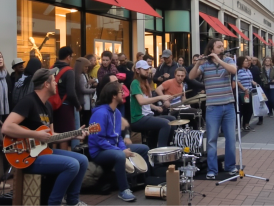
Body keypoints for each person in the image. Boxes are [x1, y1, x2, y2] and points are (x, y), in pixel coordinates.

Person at [2, 68, 88, 206]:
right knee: (72, 165)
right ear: (46, 84)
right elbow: (7, 127)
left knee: (83, 160)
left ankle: (73, 201)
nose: (56, 84)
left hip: (43, 151)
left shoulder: (47, 106)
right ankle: (54, 203)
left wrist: (74, 135)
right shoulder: (28, 101)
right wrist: (35, 134)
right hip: (28, 157)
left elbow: (51, 136)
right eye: (53, 81)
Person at [88, 81, 149, 202]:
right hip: (99, 152)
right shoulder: (100, 113)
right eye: (121, 92)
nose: (124, 94)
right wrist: (120, 150)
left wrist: (123, 148)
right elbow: (98, 139)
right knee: (120, 155)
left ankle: (143, 182)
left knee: (144, 148)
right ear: (114, 96)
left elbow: (118, 137)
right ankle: (123, 189)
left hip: (113, 148)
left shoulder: (117, 112)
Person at [189, 38, 237, 179]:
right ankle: (212, 170)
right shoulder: (205, 65)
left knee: (230, 138)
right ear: (211, 49)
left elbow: (233, 70)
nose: (222, 49)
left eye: (222, 47)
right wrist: (198, 63)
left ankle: (230, 166)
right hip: (212, 107)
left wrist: (219, 60)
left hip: (228, 105)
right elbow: (191, 77)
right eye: (219, 47)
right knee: (211, 139)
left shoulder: (228, 61)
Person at [130, 60, 176, 147]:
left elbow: (146, 101)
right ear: (137, 70)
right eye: (144, 69)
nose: (147, 71)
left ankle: (167, 146)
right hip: (139, 118)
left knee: (172, 119)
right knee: (165, 123)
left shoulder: (145, 82)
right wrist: (160, 97)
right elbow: (141, 101)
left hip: (148, 115)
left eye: (148, 69)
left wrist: (155, 107)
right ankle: (161, 151)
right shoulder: (135, 83)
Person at [52, 46, 81, 150]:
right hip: (65, 106)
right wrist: (78, 105)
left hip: (51, 106)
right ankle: (63, 158)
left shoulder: (51, 69)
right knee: (65, 135)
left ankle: (53, 155)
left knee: (53, 133)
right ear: (68, 57)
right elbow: (71, 93)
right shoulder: (69, 71)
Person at [232, 56, 257, 131]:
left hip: (249, 92)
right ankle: (238, 125)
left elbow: (251, 79)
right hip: (242, 93)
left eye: (247, 61)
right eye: (245, 61)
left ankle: (246, 124)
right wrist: (243, 88)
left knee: (249, 109)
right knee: (242, 109)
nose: (247, 62)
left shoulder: (248, 71)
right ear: (241, 63)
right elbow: (236, 80)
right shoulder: (238, 71)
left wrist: (254, 83)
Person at [74, 57, 96, 128]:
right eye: (85, 67)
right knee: (85, 121)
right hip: (84, 102)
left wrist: (89, 83)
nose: (87, 68)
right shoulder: (81, 76)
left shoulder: (79, 75)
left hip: (83, 102)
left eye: (87, 67)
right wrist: (95, 90)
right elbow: (83, 90)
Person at [0, 52, 12, 122]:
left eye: (1, 57)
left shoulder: (6, 74)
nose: (0, 59)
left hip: (6, 111)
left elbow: (9, 93)